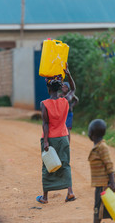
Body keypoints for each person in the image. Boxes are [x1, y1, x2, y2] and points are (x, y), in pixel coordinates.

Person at [36, 65, 76, 204]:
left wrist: (46, 141)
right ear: (59, 88)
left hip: (51, 139)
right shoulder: (65, 101)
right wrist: (68, 74)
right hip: (63, 137)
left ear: (48, 89)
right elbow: (73, 89)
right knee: (65, 164)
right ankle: (70, 192)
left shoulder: (44, 104)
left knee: (47, 166)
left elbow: (45, 124)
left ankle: (45, 197)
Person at [88, 119, 115, 223]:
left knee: (98, 210)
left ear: (92, 133)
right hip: (100, 184)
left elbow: (109, 165)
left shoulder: (102, 147)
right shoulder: (98, 146)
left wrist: (112, 183)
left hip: (105, 184)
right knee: (110, 208)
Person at [58, 67, 79, 142]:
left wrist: (72, 106)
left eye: (66, 87)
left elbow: (76, 99)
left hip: (69, 113)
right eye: (63, 86)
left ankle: (67, 145)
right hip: (61, 114)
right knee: (61, 129)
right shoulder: (58, 95)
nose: (64, 88)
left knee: (67, 129)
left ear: (68, 88)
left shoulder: (70, 95)